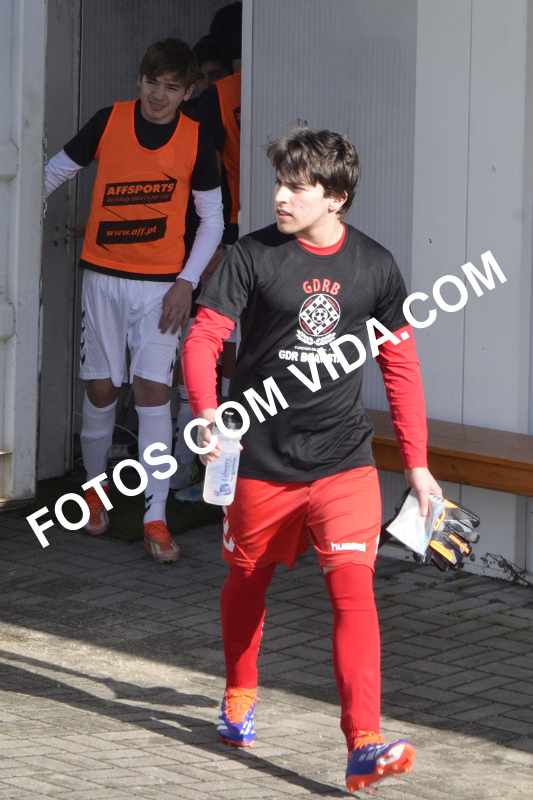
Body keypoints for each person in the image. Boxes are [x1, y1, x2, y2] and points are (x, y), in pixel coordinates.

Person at [181, 128, 442, 792]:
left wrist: (416, 465)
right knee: (247, 582)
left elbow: (400, 367)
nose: (280, 196)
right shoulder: (250, 256)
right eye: (280, 182)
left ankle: (363, 743)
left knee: (354, 594)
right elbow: (204, 338)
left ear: (336, 197)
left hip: (343, 461)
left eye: (297, 186)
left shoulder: (375, 266)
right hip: (260, 462)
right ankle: (239, 691)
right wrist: (207, 413)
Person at [44, 38, 224, 562]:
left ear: (188, 92)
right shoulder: (109, 120)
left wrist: (186, 282)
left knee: (153, 393)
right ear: (139, 80)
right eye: (151, 83)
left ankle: (155, 517)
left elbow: (212, 221)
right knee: (101, 389)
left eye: (171, 87)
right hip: (102, 278)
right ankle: (94, 491)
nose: (158, 95)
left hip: (161, 287)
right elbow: (52, 173)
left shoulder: (196, 139)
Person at [171, 3, 243, 498]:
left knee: (209, 355)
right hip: (232, 238)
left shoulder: (217, 99)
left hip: (228, 240)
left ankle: (200, 472)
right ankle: (197, 471)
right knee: (213, 356)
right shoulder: (220, 97)